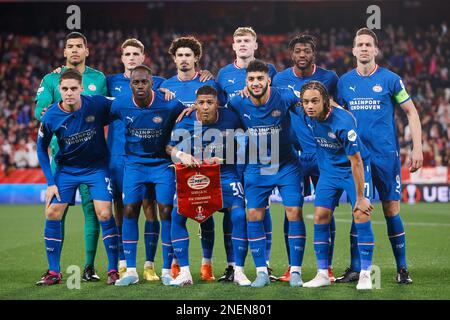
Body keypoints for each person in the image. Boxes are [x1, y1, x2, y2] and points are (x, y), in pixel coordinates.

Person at [336, 28, 423, 284]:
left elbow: (411, 112)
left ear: (376, 50)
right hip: (358, 158)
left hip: (386, 155)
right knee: (359, 208)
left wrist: (416, 146)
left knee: (390, 209)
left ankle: (402, 268)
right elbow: (338, 116)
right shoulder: (344, 82)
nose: (364, 48)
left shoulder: (391, 80)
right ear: (353, 50)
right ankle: (355, 269)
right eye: (359, 44)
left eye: (368, 44)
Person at [34, 32, 107, 281]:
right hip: (61, 157)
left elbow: (104, 108)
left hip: (92, 157)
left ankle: (89, 267)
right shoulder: (52, 78)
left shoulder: (99, 78)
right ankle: (54, 269)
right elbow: (40, 111)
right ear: (64, 52)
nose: (74, 50)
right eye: (70, 47)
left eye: (79, 46)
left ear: (87, 50)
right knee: (56, 210)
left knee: (93, 210)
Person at [227, 60, 305, 288]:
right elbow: (221, 118)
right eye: (251, 79)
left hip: (286, 163)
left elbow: (312, 102)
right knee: (254, 215)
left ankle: (296, 272)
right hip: (257, 165)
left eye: (260, 78)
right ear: (246, 82)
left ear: (269, 79)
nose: (256, 83)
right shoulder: (237, 102)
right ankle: (261, 271)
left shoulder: (285, 96)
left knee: (294, 212)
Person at [166, 85, 251, 286]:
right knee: (176, 215)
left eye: (209, 103)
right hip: (195, 176)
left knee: (238, 215)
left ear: (217, 104)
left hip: (225, 174)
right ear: (195, 104)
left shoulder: (230, 117)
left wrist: (226, 155)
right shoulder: (185, 120)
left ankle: (238, 271)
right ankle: (184, 272)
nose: (205, 107)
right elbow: (169, 146)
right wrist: (181, 155)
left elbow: (245, 141)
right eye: (201, 103)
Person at [272, 34, 339, 282]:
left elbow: (339, 112)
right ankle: (292, 267)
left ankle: (327, 268)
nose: (302, 55)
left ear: (314, 53)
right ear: (292, 54)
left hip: (324, 153)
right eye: (298, 51)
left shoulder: (330, 78)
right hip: (295, 156)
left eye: (307, 51)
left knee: (326, 210)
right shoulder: (279, 79)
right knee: (292, 210)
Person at [111, 65, 185, 286]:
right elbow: (100, 115)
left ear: (152, 83)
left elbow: (186, 116)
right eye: (136, 82)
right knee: (130, 210)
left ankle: (166, 270)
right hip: (134, 163)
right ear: (130, 84)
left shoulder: (169, 104)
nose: (140, 86)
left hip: (162, 164)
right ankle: (131, 271)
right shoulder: (120, 104)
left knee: (166, 211)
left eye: (144, 82)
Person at [106, 38, 172, 281]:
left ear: (143, 57)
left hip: (148, 156)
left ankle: (150, 265)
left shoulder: (160, 83)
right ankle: (124, 263)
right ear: (121, 57)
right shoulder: (110, 82)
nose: (131, 57)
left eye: (136, 53)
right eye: (127, 54)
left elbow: (175, 94)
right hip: (117, 155)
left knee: (150, 208)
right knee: (122, 209)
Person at [160, 36, 224, 282]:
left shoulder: (209, 82)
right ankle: (175, 262)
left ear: (196, 58)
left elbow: (224, 113)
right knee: (173, 211)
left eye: (189, 55)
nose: (184, 59)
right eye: (180, 55)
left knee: (204, 213)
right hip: (177, 160)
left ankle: (206, 265)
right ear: (174, 58)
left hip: (206, 161)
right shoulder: (165, 86)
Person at [299, 81, 375, 290]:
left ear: (326, 101)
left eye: (315, 101)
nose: (310, 106)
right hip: (329, 171)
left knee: (361, 213)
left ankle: (366, 274)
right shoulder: (307, 116)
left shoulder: (343, 122)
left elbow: (356, 161)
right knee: (320, 216)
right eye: (306, 102)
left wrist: (360, 197)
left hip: (354, 169)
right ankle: (323, 273)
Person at [217, 26, 277, 281]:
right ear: (233, 46)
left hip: (261, 147)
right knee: (233, 207)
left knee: (261, 205)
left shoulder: (268, 70)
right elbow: (218, 107)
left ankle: (266, 263)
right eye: (238, 40)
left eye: (247, 40)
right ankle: (232, 264)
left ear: (255, 45)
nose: (242, 44)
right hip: (231, 148)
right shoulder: (223, 74)